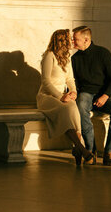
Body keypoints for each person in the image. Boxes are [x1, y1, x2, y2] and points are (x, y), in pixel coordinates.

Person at [36, 29, 94, 165]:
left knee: (73, 108)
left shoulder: (67, 57)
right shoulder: (49, 55)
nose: (73, 41)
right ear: (63, 40)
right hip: (47, 97)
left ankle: (77, 148)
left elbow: (70, 79)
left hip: (64, 97)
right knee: (65, 110)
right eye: (70, 39)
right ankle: (81, 149)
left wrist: (73, 92)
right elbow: (45, 81)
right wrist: (60, 96)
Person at [71, 26, 111, 166]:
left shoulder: (103, 53)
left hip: (103, 94)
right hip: (85, 94)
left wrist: (105, 96)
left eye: (75, 39)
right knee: (81, 106)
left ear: (86, 39)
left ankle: (109, 152)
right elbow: (73, 81)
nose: (73, 42)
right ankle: (89, 150)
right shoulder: (74, 59)